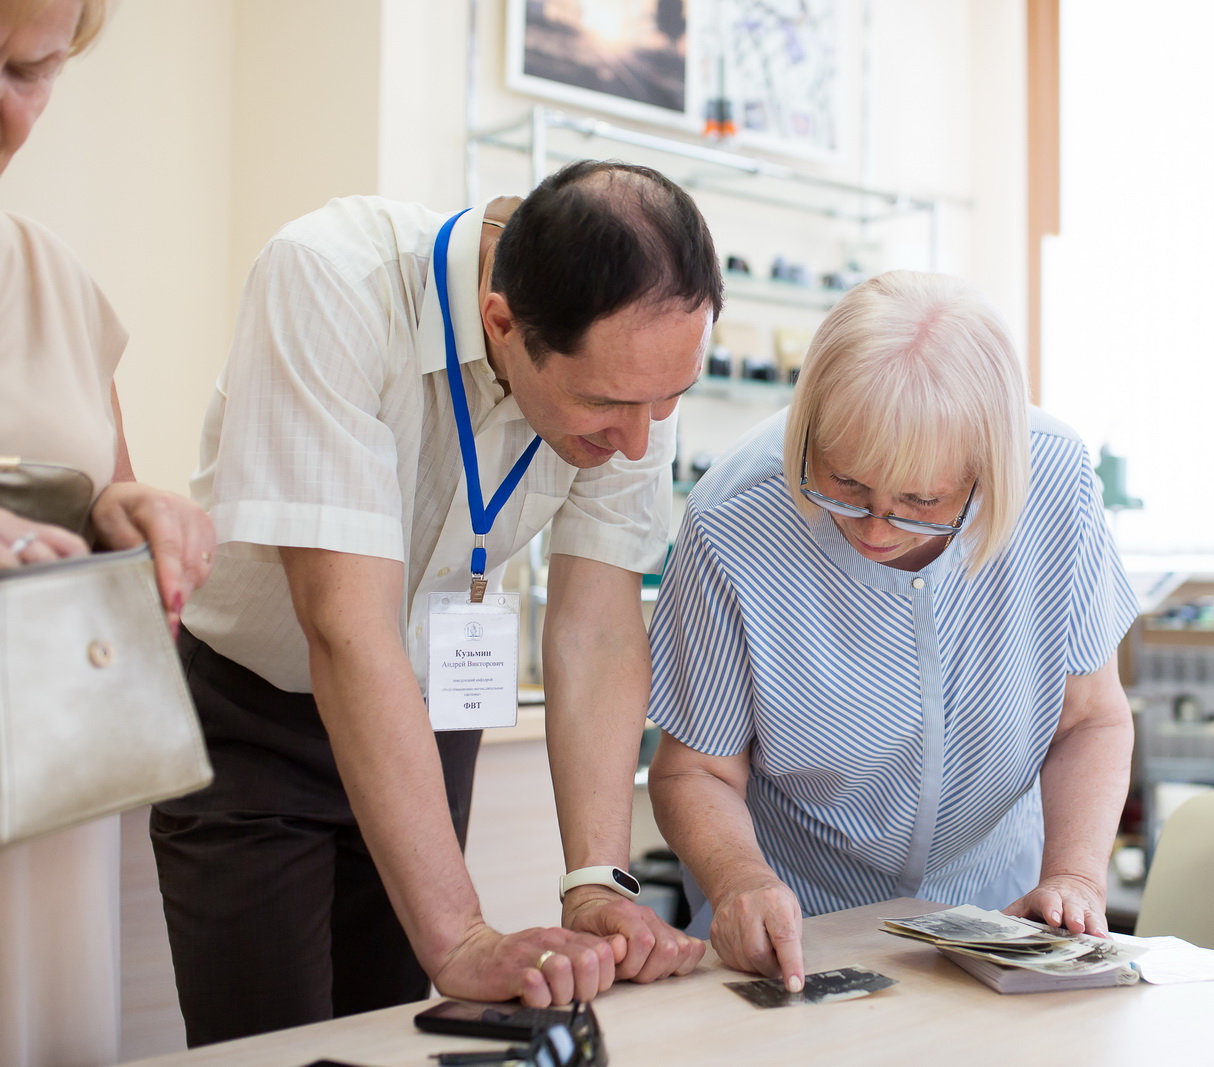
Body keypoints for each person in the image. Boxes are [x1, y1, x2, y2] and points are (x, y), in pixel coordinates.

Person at [153, 160, 717, 1045]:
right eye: (607, 405)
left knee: (394, 1035)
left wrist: (598, 877)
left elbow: (600, 627)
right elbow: (344, 624)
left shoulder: (636, 361)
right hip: (259, 722)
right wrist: (459, 932)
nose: (639, 440)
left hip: (428, 718)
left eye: (669, 400)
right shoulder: (334, 281)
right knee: (273, 1043)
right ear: (502, 322)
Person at [647, 270, 1140, 990]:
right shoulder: (733, 515)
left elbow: (1090, 719)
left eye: (920, 500)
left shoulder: (1053, 479)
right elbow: (695, 768)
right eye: (843, 484)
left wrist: (1072, 875)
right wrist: (738, 879)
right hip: (802, 931)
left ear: (988, 469)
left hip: (998, 917)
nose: (876, 529)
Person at [1, 1, 216, 1063]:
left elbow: (98, 492)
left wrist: (125, 513)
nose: (5, 109)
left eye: (30, 72)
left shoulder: (55, 283)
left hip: (45, 787)